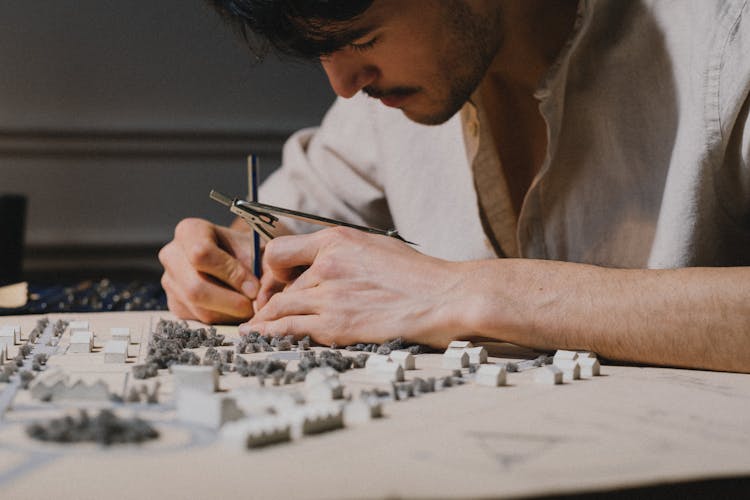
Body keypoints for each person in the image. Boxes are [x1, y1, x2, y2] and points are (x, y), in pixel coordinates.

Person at [159, 0, 750, 372]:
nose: (341, 83)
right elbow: (280, 219)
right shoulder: (388, 100)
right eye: (321, 52)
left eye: (361, 39)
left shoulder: (726, 42)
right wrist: (225, 260)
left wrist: (465, 293)